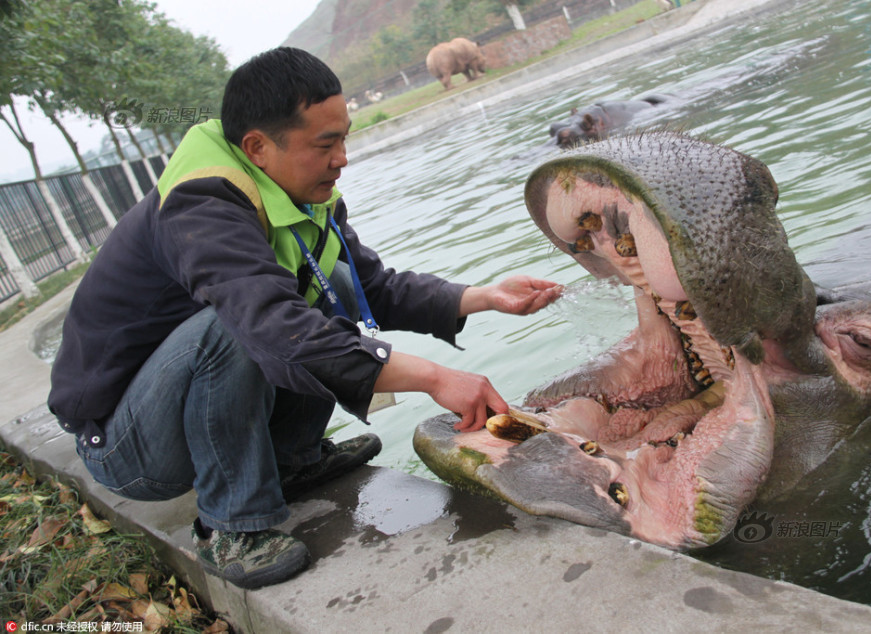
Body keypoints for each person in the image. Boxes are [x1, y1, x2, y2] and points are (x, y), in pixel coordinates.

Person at [47, 47, 560, 590]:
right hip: (130, 445)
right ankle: (231, 525)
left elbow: (370, 288)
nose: (343, 159)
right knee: (236, 327)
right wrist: (435, 378)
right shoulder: (202, 206)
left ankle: (291, 462)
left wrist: (484, 295)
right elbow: (273, 328)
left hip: (181, 409)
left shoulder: (304, 195)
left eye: (344, 138)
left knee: (331, 280)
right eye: (325, 145)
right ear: (257, 147)